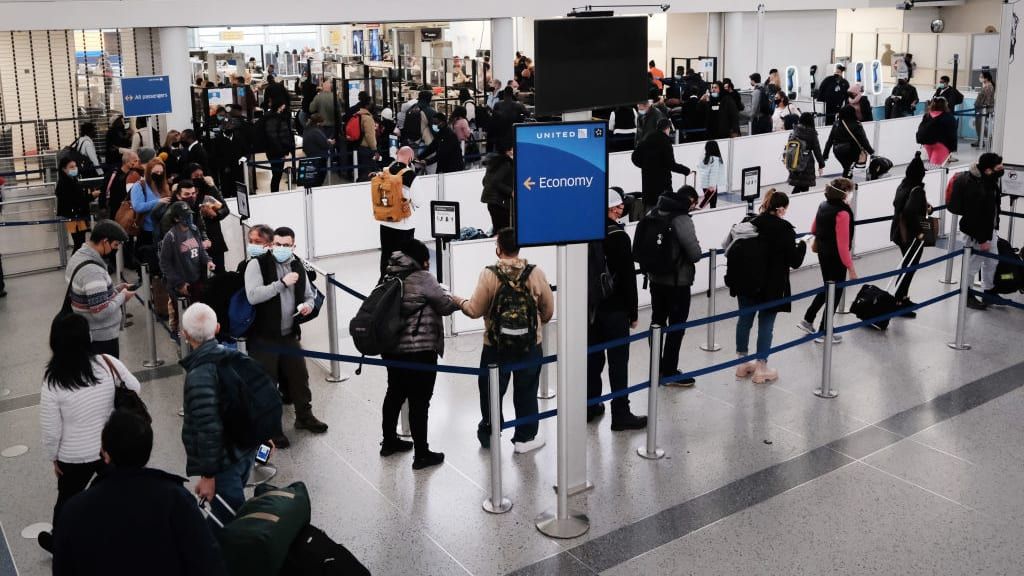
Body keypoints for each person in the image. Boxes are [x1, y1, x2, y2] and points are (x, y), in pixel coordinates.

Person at [52, 411, 227, 576]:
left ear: (105, 454)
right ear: (147, 451)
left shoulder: (74, 510)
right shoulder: (176, 499)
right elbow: (207, 561)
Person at [36, 313, 142, 554]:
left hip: (73, 454)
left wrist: (54, 456)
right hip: (110, 448)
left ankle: (61, 541)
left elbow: (51, 428)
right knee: (119, 491)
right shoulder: (106, 362)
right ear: (87, 338)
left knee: (67, 498)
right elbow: (135, 387)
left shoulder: (53, 381)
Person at [460, 228, 554, 453]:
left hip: (495, 345)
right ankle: (524, 438)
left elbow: (474, 310)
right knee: (527, 390)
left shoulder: (489, 274)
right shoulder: (536, 273)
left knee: (491, 389)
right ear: (519, 247)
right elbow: (548, 311)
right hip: (530, 345)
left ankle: (490, 433)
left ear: (498, 249)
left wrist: (457, 301)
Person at [379, 240, 465, 469]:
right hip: (420, 352)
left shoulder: (388, 275)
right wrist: (455, 299)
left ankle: (389, 442)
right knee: (419, 402)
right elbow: (444, 306)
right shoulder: (424, 278)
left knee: (394, 393)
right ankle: (422, 454)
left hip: (392, 350)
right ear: (421, 259)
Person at [244, 226, 329, 445]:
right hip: (263, 336)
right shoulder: (257, 265)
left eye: (286, 245)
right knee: (267, 384)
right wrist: (281, 284)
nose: (282, 248)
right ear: (271, 245)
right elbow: (253, 296)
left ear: (293, 246)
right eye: (278, 245)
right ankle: (270, 429)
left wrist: (308, 307)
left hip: (289, 333)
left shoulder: (297, 264)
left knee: (299, 377)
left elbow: (310, 295)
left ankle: (304, 416)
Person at [180, 303, 262, 522]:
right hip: (245, 452)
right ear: (217, 328)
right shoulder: (237, 359)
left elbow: (209, 428)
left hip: (224, 462)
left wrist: (208, 475)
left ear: (185, 335)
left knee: (228, 523)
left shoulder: (199, 375)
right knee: (228, 514)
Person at [726, 189, 805, 384]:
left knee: (744, 321)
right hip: (771, 286)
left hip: (746, 283)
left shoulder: (750, 224)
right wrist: (802, 245)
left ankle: (742, 363)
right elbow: (794, 261)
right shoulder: (784, 229)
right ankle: (761, 368)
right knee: (766, 324)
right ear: (781, 209)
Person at [586, 190, 646, 429]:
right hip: (615, 309)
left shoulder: (586, 231)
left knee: (593, 359)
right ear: (615, 209)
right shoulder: (618, 236)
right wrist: (633, 312)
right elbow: (628, 278)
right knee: (618, 363)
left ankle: (590, 406)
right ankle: (621, 414)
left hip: (591, 308)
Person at [799, 178, 858, 343]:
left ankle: (808, 319)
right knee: (835, 292)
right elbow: (843, 245)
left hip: (823, 254)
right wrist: (851, 268)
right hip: (836, 258)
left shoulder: (823, 206)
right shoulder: (843, 213)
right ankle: (825, 331)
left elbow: (813, 229)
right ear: (844, 193)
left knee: (827, 287)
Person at [64, 220, 133, 356]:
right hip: (101, 338)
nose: (116, 249)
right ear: (104, 241)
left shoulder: (78, 255)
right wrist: (122, 296)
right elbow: (100, 311)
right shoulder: (93, 271)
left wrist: (116, 290)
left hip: (88, 331)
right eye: (115, 245)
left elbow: (91, 293)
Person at [950, 153, 1004, 309]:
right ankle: (967, 295)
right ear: (988, 170)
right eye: (998, 167)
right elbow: (973, 217)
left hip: (988, 231)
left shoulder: (990, 180)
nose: (1002, 169)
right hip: (976, 234)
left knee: (992, 261)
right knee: (973, 265)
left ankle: (989, 291)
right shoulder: (975, 186)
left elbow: (991, 209)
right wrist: (982, 240)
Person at [159, 198, 213, 324]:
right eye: (185, 216)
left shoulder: (194, 230)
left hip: (197, 279)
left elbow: (200, 250)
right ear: (177, 219)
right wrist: (179, 283)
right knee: (182, 316)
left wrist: (208, 261)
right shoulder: (170, 237)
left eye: (189, 215)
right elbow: (164, 263)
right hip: (181, 284)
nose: (189, 218)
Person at [891, 152, 931, 316]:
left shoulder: (903, 185)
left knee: (906, 264)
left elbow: (899, 205)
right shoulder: (917, 190)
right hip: (911, 235)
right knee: (910, 267)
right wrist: (922, 232)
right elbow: (911, 212)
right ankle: (899, 301)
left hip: (899, 233)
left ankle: (902, 297)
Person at [632, 118, 691, 215]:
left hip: (648, 182)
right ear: (667, 128)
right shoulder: (665, 142)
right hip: (662, 183)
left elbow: (634, 157)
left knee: (649, 211)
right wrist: (686, 170)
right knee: (662, 210)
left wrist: (646, 166)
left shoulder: (647, 138)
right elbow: (671, 164)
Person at [376, 146, 419, 276]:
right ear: (410, 158)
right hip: (404, 225)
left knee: (386, 254)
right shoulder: (410, 175)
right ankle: (400, 284)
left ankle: (383, 282)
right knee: (403, 258)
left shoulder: (385, 172)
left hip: (385, 221)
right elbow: (419, 201)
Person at [189, 164, 230, 273]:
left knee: (220, 271)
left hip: (214, 238)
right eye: (195, 176)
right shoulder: (185, 192)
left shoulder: (210, 189)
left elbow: (225, 209)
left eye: (201, 175)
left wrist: (216, 214)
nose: (199, 178)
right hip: (194, 240)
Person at [56, 156, 101, 251]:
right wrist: (92, 195)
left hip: (78, 215)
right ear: (64, 169)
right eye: (71, 167)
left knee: (80, 243)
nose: (75, 169)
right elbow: (77, 200)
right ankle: (75, 263)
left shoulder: (71, 179)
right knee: (78, 244)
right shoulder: (65, 183)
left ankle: (76, 263)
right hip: (74, 217)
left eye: (75, 166)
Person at [824, 105, 875, 179]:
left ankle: (845, 183)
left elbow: (830, 140)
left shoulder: (836, 124)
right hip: (851, 151)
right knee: (848, 169)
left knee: (847, 168)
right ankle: (845, 185)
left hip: (837, 151)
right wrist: (871, 152)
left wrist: (825, 155)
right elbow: (863, 140)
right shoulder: (856, 124)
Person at [787, 112, 826, 193]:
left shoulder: (795, 131)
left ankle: (794, 203)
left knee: (799, 186)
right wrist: (821, 164)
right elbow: (817, 150)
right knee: (803, 187)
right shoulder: (812, 133)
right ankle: (794, 203)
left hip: (794, 160)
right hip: (807, 163)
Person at [480, 141, 514, 232]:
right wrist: (511, 191)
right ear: (508, 151)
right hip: (499, 203)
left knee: (498, 230)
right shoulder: (506, 164)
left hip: (492, 202)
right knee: (504, 231)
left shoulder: (494, 162)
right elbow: (495, 182)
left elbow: (484, 181)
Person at [262, 102, 295, 192]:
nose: (285, 106)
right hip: (276, 152)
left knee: (277, 175)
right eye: (283, 104)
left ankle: (275, 192)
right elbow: (274, 137)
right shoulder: (273, 118)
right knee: (277, 175)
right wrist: (281, 152)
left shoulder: (275, 117)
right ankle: (274, 193)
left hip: (275, 151)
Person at [917, 98, 958, 166]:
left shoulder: (927, 115)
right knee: (935, 167)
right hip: (941, 144)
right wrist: (952, 149)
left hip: (927, 143)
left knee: (931, 164)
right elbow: (952, 134)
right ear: (945, 105)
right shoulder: (948, 117)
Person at [352, 98, 381, 181]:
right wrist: (374, 149)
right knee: (368, 172)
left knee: (363, 170)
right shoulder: (367, 118)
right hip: (366, 148)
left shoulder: (358, 114)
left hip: (359, 145)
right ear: (367, 105)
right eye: (371, 104)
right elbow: (370, 136)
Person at [104, 150, 139, 220]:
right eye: (135, 161)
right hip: (115, 208)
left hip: (129, 209)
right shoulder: (113, 174)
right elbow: (104, 188)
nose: (137, 163)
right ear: (126, 162)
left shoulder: (135, 174)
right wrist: (103, 206)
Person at [301, 113, 333, 186]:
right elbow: (324, 144)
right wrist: (330, 143)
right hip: (319, 157)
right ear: (318, 122)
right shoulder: (316, 131)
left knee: (312, 179)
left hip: (310, 156)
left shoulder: (307, 129)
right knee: (318, 179)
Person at [699, 140, 728, 209]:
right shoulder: (715, 160)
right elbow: (713, 173)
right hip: (711, 185)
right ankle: (698, 209)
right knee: (712, 202)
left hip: (705, 184)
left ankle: (698, 208)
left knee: (707, 199)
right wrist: (712, 185)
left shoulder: (706, 159)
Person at [972, 71, 995, 148]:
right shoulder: (986, 86)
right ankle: (980, 140)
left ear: (986, 78)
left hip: (983, 109)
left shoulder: (989, 86)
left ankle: (989, 138)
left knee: (981, 125)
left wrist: (984, 107)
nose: (980, 78)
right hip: (980, 108)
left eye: (981, 76)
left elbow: (988, 99)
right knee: (979, 125)